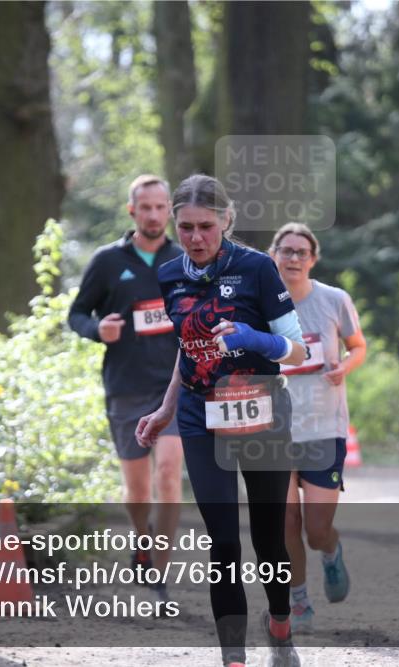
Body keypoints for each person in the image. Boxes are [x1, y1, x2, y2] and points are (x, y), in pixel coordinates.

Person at [136, 175, 307, 667]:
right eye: (185, 226)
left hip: (263, 412)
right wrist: (168, 407)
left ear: (226, 221)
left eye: (206, 226)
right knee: (224, 542)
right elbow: (186, 348)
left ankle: (280, 624)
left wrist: (254, 338)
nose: (195, 237)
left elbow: (297, 350)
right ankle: (233, 658)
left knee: (269, 538)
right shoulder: (170, 275)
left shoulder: (257, 269)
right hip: (198, 414)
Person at [67, 174, 184, 603]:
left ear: (169, 210)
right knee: (137, 488)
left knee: (169, 474)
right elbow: (76, 314)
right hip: (126, 387)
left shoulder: (186, 258)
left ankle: (161, 570)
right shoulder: (107, 260)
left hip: (176, 385)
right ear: (132, 211)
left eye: (160, 207)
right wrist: (98, 328)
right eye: (145, 207)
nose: (154, 215)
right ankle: (142, 538)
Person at [268, 223, 366, 633]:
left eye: (301, 252)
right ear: (274, 255)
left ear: (313, 258)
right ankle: (300, 600)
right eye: (286, 250)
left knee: (315, 529)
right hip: (275, 429)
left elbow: (358, 346)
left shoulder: (333, 299)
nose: (293, 258)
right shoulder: (260, 303)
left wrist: (344, 366)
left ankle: (331, 552)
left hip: (325, 426)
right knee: (287, 521)